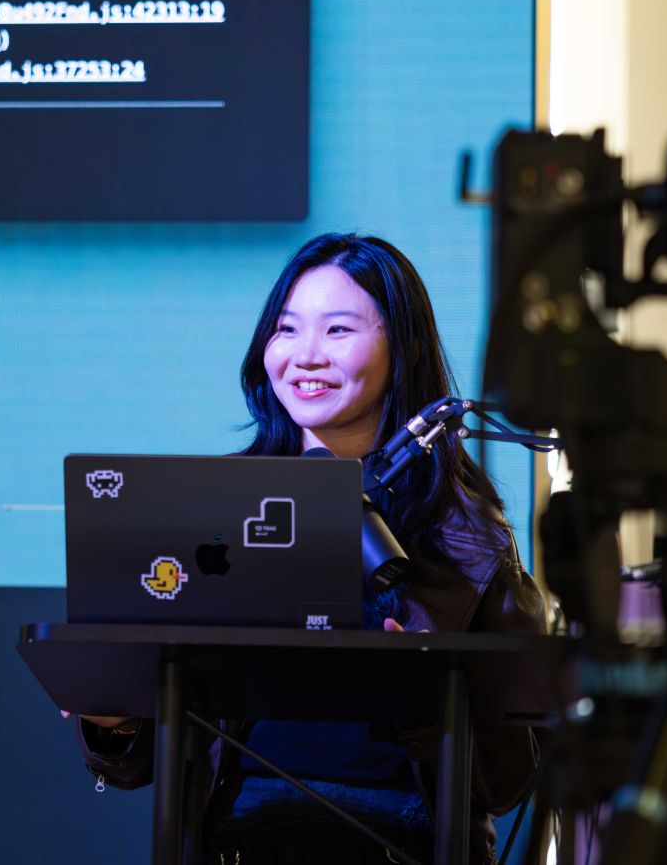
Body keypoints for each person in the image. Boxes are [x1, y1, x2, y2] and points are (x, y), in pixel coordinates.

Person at [72, 233, 546, 864]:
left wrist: (423, 699)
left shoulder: (469, 534)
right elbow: (141, 764)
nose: (306, 356)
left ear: (401, 347)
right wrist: (114, 725)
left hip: (402, 841)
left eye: (339, 331)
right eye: (288, 330)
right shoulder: (211, 506)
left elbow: (506, 780)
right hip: (234, 837)